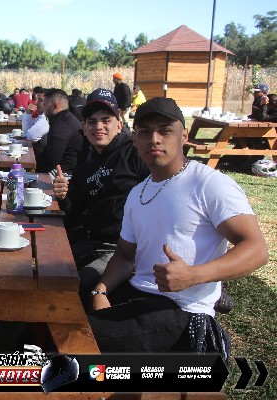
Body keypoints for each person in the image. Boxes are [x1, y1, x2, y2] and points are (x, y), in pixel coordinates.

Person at [87, 97, 268, 356]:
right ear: (134, 139)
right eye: (145, 132)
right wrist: (100, 290)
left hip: (182, 310)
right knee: (57, 319)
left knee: (66, 342)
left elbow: (257, 249)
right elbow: (125, 256)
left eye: (165, 130)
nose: (154, 139)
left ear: (184, 136)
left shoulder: (208, 184)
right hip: (137, 294)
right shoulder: (138, 193)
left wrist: (193, 275)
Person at [52, 89, 148, 301]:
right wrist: (63, 197)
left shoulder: (135, 154)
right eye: (92, 121)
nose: (99, 127)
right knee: (48, 271)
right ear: (84, 127)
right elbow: (73, 214)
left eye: (106, 120)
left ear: (119, 124)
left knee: (71, 289)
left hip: (124, 251)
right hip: (92, 242)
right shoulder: (85, 166)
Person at [40, 88, 84, 176]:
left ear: (55, 106)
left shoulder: (62, 125)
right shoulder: (66, 118)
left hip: (64, 176)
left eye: (45, 105)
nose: (43, 109)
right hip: (63, 171)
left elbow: (51, 160)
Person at [22, 86, 49, 162]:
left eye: (40, 100)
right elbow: (27, 131)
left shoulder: (46, 118)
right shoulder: (42, 116)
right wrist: (28, 114)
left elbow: (30, 136)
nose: (36, 103)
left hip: (43, 165)